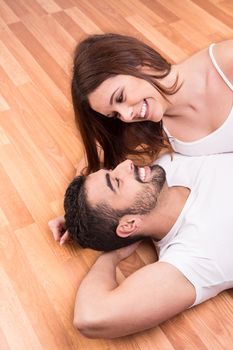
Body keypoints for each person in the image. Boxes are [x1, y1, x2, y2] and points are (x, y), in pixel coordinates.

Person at [49, 33, 233, 242]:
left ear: (136, 62)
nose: (127, 116)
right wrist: (81, 217)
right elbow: (95, 156)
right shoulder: (151, 125)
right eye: (115, 114)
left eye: (120, 97)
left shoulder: (226, 64)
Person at [56, 153, 233, 338]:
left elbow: (95, 150)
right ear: (129, 224)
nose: (127, 164)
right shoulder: (194, 256)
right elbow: (90, 317)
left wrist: (74, 217)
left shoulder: (164, 166)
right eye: (116, 182)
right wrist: (112, 256)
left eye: (112, 170)